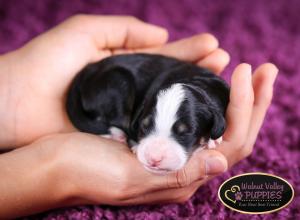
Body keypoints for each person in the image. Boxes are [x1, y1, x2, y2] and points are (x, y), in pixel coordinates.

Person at [0, 15, 278, 218]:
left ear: (213, 126)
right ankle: (112, 119)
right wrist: (53, 174)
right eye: (146, 128)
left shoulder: (214, 108)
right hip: (101, 85)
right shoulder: (158, 100)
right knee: (119, 85)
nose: (155, 154)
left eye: (182, 132)